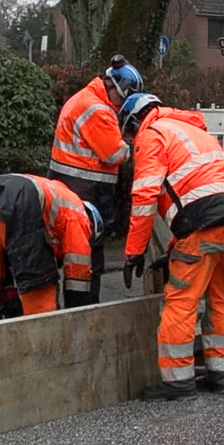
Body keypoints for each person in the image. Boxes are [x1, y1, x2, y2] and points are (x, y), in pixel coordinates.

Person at [120, 93, 224, 401]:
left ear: (135, 121)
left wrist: (134, 251)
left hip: (206, 220)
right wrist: (174, 246)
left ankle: (178, 380)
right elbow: (195, 191)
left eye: (128, 133)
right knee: (223, 297)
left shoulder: (152, 134)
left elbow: (145, 197)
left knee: (181, 300)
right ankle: (221, 374)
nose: (130, 141)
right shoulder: (193, 131)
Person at [48, 56, 143, 300]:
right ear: (112, 87)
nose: (122, 105)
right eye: (123, 98)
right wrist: (134, 145)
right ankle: (87, 309)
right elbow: (115, 154)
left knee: (70, 254)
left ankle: (73, 305)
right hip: (86, 195)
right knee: (89, 261)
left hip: (70, 189)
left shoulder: (85, 100)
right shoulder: (98, 110)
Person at [0, 173, 101, 324]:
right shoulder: (80, 215)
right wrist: (77, 311)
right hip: (17, 205)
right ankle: (42, 343)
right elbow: (78, 266)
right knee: (40, 294)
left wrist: (9, 290)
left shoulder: (57, 198)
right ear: (93, 225)